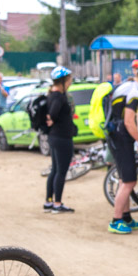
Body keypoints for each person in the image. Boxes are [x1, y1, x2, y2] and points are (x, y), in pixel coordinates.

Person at [105, 62, 138, 234]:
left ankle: (126, 217)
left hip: (116, 135)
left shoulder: (127, 86)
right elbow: (129, 121)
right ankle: (116, 220)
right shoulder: (134, 92)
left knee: (124, 179)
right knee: (129, 181)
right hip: (121, 137)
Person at [44, 66, 77, 214]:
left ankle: (49, 202)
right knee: (61, 172)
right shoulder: (59, 97)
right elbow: (53, 114)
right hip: (62, 138)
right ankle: (57, 203)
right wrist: (52, 119)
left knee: (55, 170)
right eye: (69, 80)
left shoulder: (51, 94)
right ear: (62, 81)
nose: (70, 82)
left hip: (54, 137)